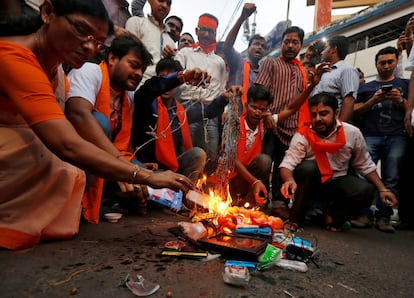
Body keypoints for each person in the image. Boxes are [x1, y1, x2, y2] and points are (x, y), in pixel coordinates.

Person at [0, 0, 193, 250]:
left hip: (45, 147)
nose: (89, 46)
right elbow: (69, 142)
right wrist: (145, 176)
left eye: (97, 42)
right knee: (77, 151)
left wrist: (136, 170)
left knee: (79, 169)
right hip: (19, 149)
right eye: (81, 31)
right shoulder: (15, 57)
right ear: (48, 13)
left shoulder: (57, 70)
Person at [279, 92, 397, 233]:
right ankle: (294, 219)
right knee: (307, 168)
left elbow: (365, 164)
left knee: (366, 190)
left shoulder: (352, 133)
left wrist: (383, 189)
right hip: (310, 185)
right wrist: (288, 180)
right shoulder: (303, 134)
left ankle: (333, 216)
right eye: (314, 115)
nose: (318, 119)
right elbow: (287, 163)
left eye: (323, 114)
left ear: (336, 113)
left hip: (337, 183)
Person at [66, 34, 154, 221]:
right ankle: (79, 205)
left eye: (142, 69)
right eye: (134, 65)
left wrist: (137, 171)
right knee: (99, 122)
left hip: (110, 158)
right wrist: (121, 168)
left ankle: (115, 199)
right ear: (113, 58)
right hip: (73, 154)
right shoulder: (90, 71)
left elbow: (124, 144)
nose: (139, 74)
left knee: (148, 180)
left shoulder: (128, 97)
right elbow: (78, 115)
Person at [352, 46, 408, 233]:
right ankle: (363, 214)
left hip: (397, 136)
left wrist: (400, 100)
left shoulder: (405, 85)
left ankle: (384, 217)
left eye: (390, 62)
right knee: (364, 175)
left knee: (392, 177)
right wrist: (372, 101)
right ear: (376, 65)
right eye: (382, 63)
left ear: (395, 62)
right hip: (371, 135)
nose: (386, 66)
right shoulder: (366, 88)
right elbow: (355, 110)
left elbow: (411, 111)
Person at [254, 26, 308, 219]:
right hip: (270, 124)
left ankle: (279, 203)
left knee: (283, 166)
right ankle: (258, 200)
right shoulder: (271, 63)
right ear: (281, 43)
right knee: (265, 162)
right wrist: (267, 113)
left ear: (301, 45)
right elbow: (259, 91)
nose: (290, 45)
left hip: (293, 127)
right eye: (287, 42)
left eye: (295, 42)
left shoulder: (303, 71)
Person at [132, 58, 213, 183]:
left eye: (171, 79)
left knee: (198, 154)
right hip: (148, 166)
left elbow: (207, 112)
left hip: (172, 166)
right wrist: (179, 77)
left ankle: (186, 195)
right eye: (164, 78)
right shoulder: (146, 102)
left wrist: (224, 98)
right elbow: (148, 89)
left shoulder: (181, 110)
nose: (168, 85)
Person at [175, 13, 227, 174]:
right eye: (203, 29)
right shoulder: (184, 54)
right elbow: (175, 80)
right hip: (187, 109)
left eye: (210, 31)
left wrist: (223, 111)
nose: (206, 34)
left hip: (210, 113)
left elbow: (221, 90)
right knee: (187, 152)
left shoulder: (219, 62)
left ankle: (203, 194)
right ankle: (181, 192)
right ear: (197, 30)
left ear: (215, 34)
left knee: (211, 156)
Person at [222, 3, 266, 112]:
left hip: (253, 120)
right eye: (256, 44)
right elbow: (227, 47)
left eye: (263, 46)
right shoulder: (238, 62)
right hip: (233, 116)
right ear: (248, 48)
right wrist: (242, 18)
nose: (259, 47)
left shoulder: (264, 73)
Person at [310, 35, 359, 122]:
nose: (321, 53)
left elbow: (349, 100)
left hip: (331, 125)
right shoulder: (322, 72)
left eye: (325, 48)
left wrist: (340, 129)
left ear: (333, 49)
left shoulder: (347, 70)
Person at [126, 0, 176, 84]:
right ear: (149, 1)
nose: (164, 5)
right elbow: (127, 57)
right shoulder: (136, 23)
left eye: (168, 3)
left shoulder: (171, 43)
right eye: (161, 0)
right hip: (137, 87)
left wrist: (170, 58)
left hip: (161, 91)